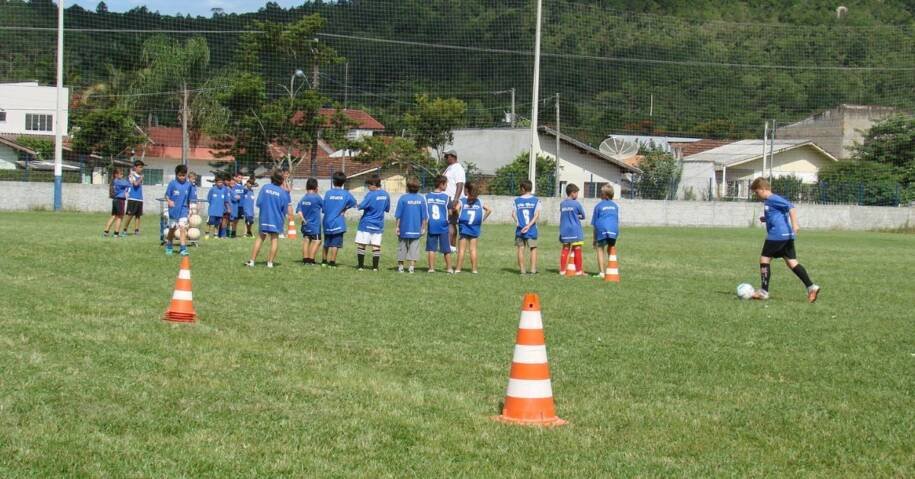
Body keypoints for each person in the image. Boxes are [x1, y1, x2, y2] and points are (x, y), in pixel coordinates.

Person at [749, 177, 821, 302]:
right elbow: (779, 214)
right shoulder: (769, 201)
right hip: (786, 236)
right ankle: (811, 287)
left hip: (777, 235)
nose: (756, 195)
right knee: (792, 262)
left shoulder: (772, 199)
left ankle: (764, 291)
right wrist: (766, 219)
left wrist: (795, 224)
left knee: (764, 259)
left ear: (762, 189)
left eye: (756, 192)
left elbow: (791, 207)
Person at [246, 170, 291, 268]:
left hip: (265, 218)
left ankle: (252, 261)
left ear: (272, 178)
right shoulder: (283, 193)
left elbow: (258, 203)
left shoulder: (265, 188)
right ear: (282, 180)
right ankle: (270, 263)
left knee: (260, 237)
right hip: (277, 219)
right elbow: (284, 209)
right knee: (274, 239)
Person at [354, 175, 390, 271]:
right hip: (378, 225)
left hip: (366, 224)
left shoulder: (371, 194)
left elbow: (361, 206)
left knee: (362, 244)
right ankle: (375, 267)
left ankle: (361, 266)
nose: (368, 188)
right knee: (376, 246)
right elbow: (387, 209)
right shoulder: (386, 195)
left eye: (369, 186)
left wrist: (354, 204)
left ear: (374, 185)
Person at [321, 171, 357, 267]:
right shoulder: (346, 194)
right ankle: (332, 262)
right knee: (335, 244)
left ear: (333, 181)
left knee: (326, 242)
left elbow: (323, 209)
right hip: (338, 222)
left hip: (327, 221)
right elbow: (354, 203)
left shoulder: (328, 193)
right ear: (343, 182)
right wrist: (344, 208)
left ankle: (324, 261)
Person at [454, 183, 491, 274]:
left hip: (464, 227)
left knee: (462, 249)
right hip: (475, 227)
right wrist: (482, 219)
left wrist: (459, 217)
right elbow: (489, 210)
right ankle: (474, 269)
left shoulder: (463, 200)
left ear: (467, 190)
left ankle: (458, 269)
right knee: (473, 249)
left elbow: (456, 209)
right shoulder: (480, 201)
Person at [394, 178, 428, 273]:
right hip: (416, 229)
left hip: (403, 229)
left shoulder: (403, 198)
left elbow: (398, 215)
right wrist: (423, 228)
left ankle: (400, 267)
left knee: (402, 248)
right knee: (414, 248)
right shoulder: (421, 199)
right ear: (418, 188)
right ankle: (411, 267)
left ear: (408, 187)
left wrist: (397, 227)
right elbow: (424, 217)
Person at [512, 179, 542, 275]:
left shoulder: (516, 201)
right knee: (533, 249)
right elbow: (536, 215)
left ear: (523, 189)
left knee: (520, 249)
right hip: (531, 229)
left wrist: (517, 222)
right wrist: (529, 226)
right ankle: (533, 270)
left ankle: (522, 270)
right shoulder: (536, 200)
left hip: (520, 229)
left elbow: (513, 214)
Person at [163, 164, 194, 256]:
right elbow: (166, 195)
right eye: (179, 175)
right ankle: (169, 246)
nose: (181, 177)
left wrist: (190, 209)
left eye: (183, 175)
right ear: (176, 174)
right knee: (172, 229)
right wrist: (169, 201)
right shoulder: (172, 183)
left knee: (182, 228)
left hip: (183, 210)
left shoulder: (189, 185)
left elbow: (189, 198)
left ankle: (183, 249)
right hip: (173, 210)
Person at [425, 175, 453, 273]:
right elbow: (450, 212)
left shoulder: (427, 197)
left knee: (431, 249)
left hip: (432, 225)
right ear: (441, 184)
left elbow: (425, 212)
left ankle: (431, 268)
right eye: (446, 184)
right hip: (443, 226)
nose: (447, 186)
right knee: (446, 249)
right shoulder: (447, 198)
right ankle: (449, 268)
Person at [591, 184, 620, 278]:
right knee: (611, 247)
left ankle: (602, 273)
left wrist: (594, 239)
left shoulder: (598, 206)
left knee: (600, 249)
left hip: (602, 228)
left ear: (606, 195)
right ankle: (612, 268)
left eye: (601, 193)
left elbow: (595, 224)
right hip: (614, 229)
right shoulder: (615, 206)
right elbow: (616, 219)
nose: (600, 194)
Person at [559, 183, 586, 276]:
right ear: (572, 193)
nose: (577, 195)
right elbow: (583, 216)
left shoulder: (562, 204)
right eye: (577, 193)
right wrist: (576, 215)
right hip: (575, 229)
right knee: (577, 248)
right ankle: (578, 271)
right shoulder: (576, 204)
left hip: (564, 229)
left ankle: (562, 270)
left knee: (565, 248)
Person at [442, 149, 466, 253]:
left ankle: (450, 246)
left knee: (451, 223)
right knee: (449, 223)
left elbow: (460, 184)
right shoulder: (449, 168)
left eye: (446, 156)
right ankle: (450, 246)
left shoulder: (458, 169)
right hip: (448, 199)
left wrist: (455, 200)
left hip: (452, 199)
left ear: (452, 156)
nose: (445, 159)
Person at [295, 178, 323, 265]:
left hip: (305, 224)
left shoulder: (303, 198)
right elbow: (325, 208)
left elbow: (299, 211)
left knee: (306, 240)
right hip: (314, 225)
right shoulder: (317, 197)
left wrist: (303, 219)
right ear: (316, 187)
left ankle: (305, 260)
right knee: (317, 241)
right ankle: (311, 260)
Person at [103, 168, 130, 237]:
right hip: (120, 200)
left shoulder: (114, 181)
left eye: (122, 174)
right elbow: (129, 184)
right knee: (120, 217)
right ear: (116, 175)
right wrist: (130, 178)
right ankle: (116, 233)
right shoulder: (119, 181)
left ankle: (106, 232)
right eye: (120, 174)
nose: (122, 175)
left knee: (114, 216)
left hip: (115, 200)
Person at [121, 160, 145, 236]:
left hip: (140, 198)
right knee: (130, 215)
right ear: (135, 167)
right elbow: (135, 184)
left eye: (142, 167)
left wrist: (140, 177)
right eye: (140, 167)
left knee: (138, 215)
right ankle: (124, 230)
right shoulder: (131, 175)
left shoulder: (140, 176)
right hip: (133, 198)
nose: (141, 169)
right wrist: (141, 178)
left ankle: (137, 230)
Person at [206, 175, 228, 239]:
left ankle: (215, 234)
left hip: (220, 210)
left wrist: (225, 208)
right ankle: (207, 233)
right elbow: (209, 199)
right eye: (218, 182)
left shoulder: (224, 190)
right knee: (209, 222)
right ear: (215, 182)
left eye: (221, 182)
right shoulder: (212, 189)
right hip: (212, 210)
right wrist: (213, 205)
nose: (220, 184)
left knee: (217, 223)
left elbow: (225, 200)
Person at [229, 173, 246, 238]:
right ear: (235, 178)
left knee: (236, 221)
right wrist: (234, 197)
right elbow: (230, 194)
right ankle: (229, 233)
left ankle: (233, 233)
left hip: (241, 206)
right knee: (232, 220)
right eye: (239, 177)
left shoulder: (242, 186)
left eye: (241, 178)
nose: (240, 179)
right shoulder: (233, 185)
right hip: (234, 206)